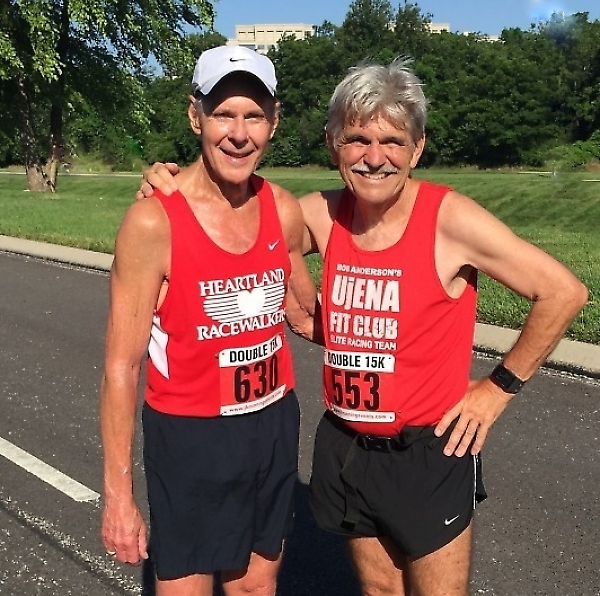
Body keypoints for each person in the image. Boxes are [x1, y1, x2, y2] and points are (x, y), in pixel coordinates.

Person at [139, 57, 588, 596]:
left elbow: (562, 292)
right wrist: (169, 185)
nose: (375, 158)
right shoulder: (322, 215)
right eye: (357, 140)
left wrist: (498, 389)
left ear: (417, 149)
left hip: (429, 450)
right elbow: (232, 222)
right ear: (334, 147)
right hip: (348, 446)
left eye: (393, 142)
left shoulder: (449, 219)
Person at [100, 44, 317, 596]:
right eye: (223, 114)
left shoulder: (283, 207)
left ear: (274, 122)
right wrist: (119, 496)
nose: (239, 134)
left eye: (254, 116)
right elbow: (122, 367)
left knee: (256, 587)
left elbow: (303, 313)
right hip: (191, 435)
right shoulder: (153, 221)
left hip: (271, 423)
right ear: (195, 116)